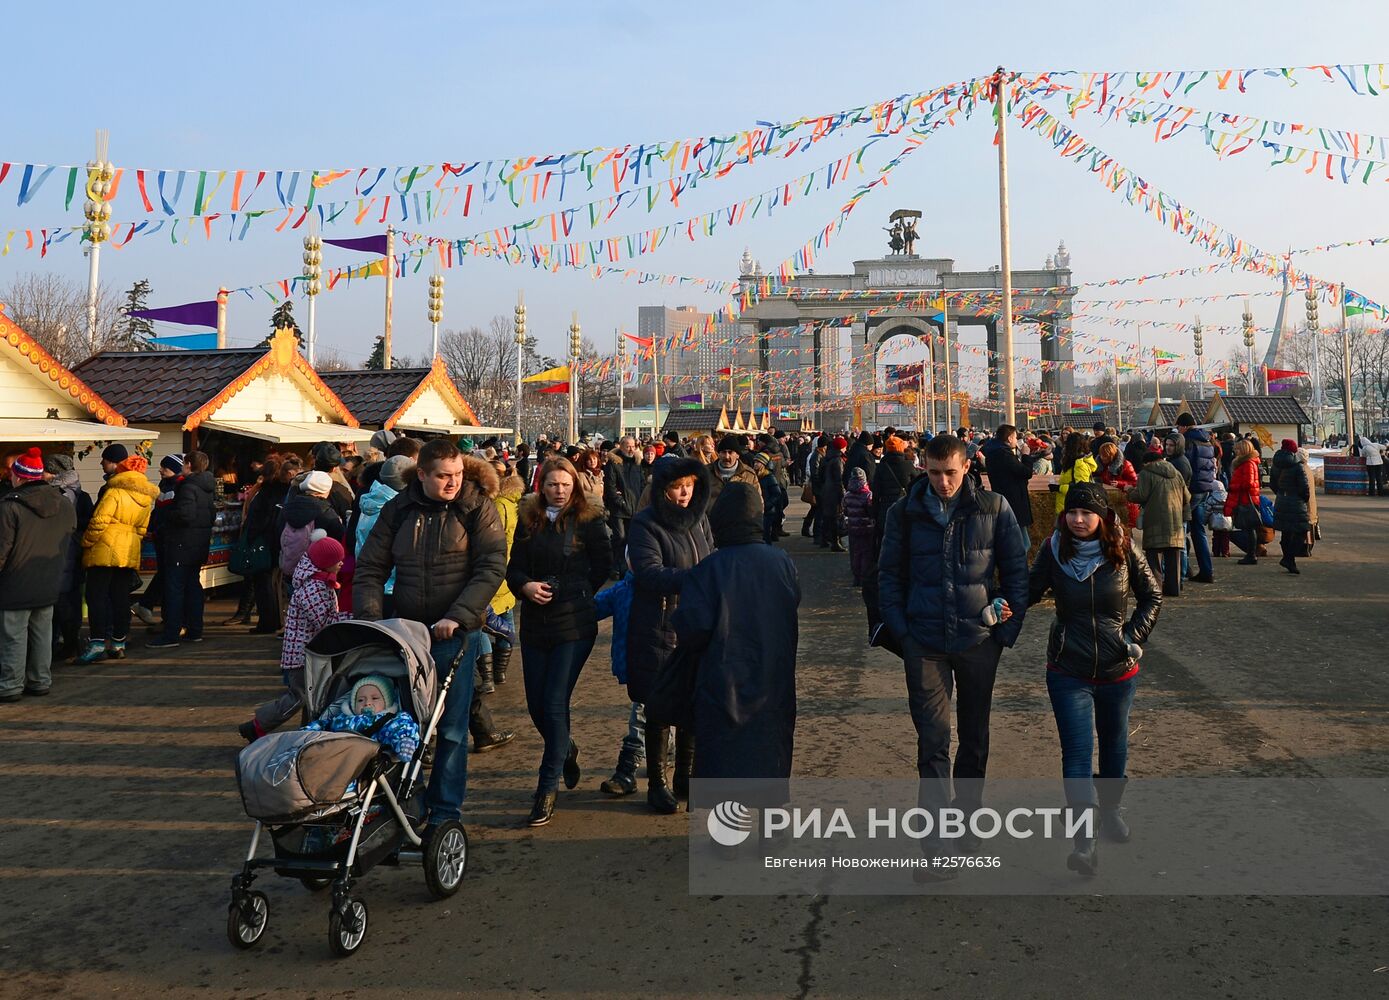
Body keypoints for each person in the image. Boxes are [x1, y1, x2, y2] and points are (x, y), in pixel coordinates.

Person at [877, 434, 1029, 873]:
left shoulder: (993, 507)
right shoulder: (902, 513)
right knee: (933, 740)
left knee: (975, 737)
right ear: (922, 468)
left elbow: (1017, 572)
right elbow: (887, 575)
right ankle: (936, 843)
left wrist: (1007, 630)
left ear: (967, 468)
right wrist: (902, 631)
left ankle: (966, 822)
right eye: (934, 472)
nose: (943, 482)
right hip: (924, 642)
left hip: (979, 639)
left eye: (951, 473)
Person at [353, 438, 507, 835]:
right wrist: (373, 622)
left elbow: (490, 566)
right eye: (443, 476)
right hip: (406, 633)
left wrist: (458, 615)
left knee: (453, 728)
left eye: (457, 474)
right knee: (403, 723)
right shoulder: (398, 509)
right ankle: (406, 798)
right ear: (421, 475)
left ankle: (444, 810)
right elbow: (370, 567)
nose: (453, 483)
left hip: (455, 632)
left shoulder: (476, 507)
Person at [1026, 482, 1161, 876]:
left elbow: (1152, 596)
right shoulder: (1054, 550)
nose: (1079, 520)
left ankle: (1112, 809)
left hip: (1119, 670)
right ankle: (1083, 843)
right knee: (1077, 754)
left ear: (1103, 517)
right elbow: (1028, 591)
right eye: (1072, 513)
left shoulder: (1121, 548)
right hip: (1069, 669)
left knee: (1115, 743)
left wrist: (1132, 638)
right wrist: (996, 605)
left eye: (1087, 513)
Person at [674, 482, 800, 810]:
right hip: (773, 673)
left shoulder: (708, 569)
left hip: (721, 676)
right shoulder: (781, 562)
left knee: (723, 756)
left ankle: (727, 833)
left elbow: (692, 627)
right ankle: (772, 826)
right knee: (770, 749)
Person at [506, 456, 612, 827]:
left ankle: (546, 788)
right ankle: (565, 747)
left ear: (576, 486)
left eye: (566, 484)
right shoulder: (528, 519)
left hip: (574, 625)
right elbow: (513, 567)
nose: (560, 490)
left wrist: (576, 591)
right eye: (553, 484)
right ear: (542, 486)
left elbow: (603, 566)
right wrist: (524, 586)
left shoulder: (590, 519)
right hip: (535, 623)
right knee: (538, 704)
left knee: (554, 700)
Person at [626, 456, 714, 813]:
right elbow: (649, 572)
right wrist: (696, 579)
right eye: (677, 487)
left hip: (695, 625)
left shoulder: (699, 519)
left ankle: (685, 775)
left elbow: (712, 555)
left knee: (693, 701)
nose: (684, 494)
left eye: (689, 486)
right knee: (659, 706)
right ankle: (657, 783)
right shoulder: (645, 524)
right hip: (658, 625)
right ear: (663, 489)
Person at [240, 536, 350, 740]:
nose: (341, 563)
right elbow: (324, 622)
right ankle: (257, 726)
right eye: (338, 560)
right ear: (325, 563)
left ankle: (308, 733)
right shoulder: (313, 587)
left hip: (307, 653)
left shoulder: (317, 582)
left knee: (313, 697)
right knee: (299, 697)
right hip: (302, 656)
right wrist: (350, 617)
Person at [0, 449, 76, 701]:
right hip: (48, 579)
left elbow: (2, 549)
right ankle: (40, 680)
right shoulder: (63, 503)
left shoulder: (10, 506)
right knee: (42, 633)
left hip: (15, 582)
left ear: (20, 477)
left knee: (13, 635)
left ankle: (10, 685)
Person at [76, 448, 158, 665]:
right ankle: (119, 642)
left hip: (104, 547)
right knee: (121, 597)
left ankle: (96, 643)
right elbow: (142, 528)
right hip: (128, 548)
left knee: (96, 596)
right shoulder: (145, 496)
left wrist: (86, 542)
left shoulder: (114, 491)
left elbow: (99, 520)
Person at [149, 451, 215, 649]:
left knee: (175, 589)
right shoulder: (206, 487)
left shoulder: (187, 486)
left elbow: (185, 515)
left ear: (188, 464)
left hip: (181, 543)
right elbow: (209, 515)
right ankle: (194, 630)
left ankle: (171, 633)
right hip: (198, 543)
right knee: (193, 587)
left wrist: (167, 517)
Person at [305, 674, 420, 763]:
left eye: (375, 698)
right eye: (360, 700)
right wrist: (306, 734)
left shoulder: (389, 719)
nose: (367, 703)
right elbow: (323, 725)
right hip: (334, 755)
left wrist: (404, 740)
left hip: (364, 761)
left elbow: (401, 726)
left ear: (387, 703)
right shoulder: (342, 718)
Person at [43, 454, 93, 660]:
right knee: (68, 599)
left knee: (62, 601)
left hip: (61, 551)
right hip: (73, 550)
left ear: (55, 472)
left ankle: (67, 644)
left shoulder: (55, 494)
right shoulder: (81, 494)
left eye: (46, 470)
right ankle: (68, 642)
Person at [1129, 450, 1191, 597]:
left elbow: (1141, 495)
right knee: (1173, 556)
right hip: (1175, 520)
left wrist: (1129, 491)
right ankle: (1173, 589)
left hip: (1154, 519)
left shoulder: (1146, 473)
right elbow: (1187, 496)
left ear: (1147, 463)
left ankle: (1156, 589)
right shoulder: (1176, 473)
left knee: (1154, 557)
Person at [981, 425, 1034, 557]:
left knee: (1019, 541)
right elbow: (1025, 472)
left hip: (1004, 499)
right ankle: (1019, 570)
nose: (1016, 440)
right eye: (1015, 437)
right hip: (1014, 502)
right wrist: (1026, 455)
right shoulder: (1004, 454)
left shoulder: (992, 452)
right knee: (1022, 544)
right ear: (1010, 438)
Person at [1177, 414, 1218, 583]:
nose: (1178, 430)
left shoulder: (1187, 441)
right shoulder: (1207, 440)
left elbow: (1186, 468)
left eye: (1178, 427)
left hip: (1192, 489)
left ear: (1185, 426)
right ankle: (1206, 570)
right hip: (1205, 488)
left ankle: (1183, 570)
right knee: (1198, 531)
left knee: (1178, 529)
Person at [1270, 440, 1313, 574]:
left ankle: (1289, 561)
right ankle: (1289, 558)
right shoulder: (1297, 465)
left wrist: (1281, 493)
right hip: (1296, 501)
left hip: (1281, 499)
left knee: (1286, 532)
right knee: (1302, 530)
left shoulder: (1276, 464)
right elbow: (1304, 487)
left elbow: (1272, 483)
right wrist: (1303, 499)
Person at [603, 436, 643, 573]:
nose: (631, 449)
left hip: (635, 507)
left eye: (633, 446)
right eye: (628, 446)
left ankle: (627, 566)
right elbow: (610, 487)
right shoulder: (614, 463)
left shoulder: (637, 463)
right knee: (620, 537)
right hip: (619, 508)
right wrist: (621, 502)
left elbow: (641, 484)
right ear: (621, 446)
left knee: (631, 538)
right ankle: (615, 564)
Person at [1224, 439, 1262, 566]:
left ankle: (1251, 554)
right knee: (1249, 528)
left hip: (1247, 499)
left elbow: (1248, 483)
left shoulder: (1247, 463)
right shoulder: (1246, 462)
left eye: (1238, 449)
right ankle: (1252, 553)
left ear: (1244, 450)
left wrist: (1234, 487)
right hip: (1247, 498)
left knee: (1249, 528)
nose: (1235, 451)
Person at [841, 467, 875, 587]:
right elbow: (871, 511)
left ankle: (856, 576)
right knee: (866, 553)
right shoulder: (868, 495)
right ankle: (865, 576)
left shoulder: (847, 495)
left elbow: (845, 510)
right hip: (866, 527)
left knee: (855, 552)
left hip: (853, 527)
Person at [1095, 441, 1139, 528]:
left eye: (1105, 456)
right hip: (1106, 500)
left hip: (1123, 502)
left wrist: (1120, 484)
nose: (1103, 458)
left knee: (1124, 528)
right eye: (1101, 455)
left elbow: (1135, 482)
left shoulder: (1126, 464)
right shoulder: (1099, 465)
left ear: (1112, 455)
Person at [709, 435, 761, 505]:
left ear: (737, 455)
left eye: (730, 452)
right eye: (723, 452)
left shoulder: (749, 475)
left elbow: (757, 502)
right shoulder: (706, 472)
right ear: (719, 454)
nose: (726, 456)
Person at [816, 437, 846, 552]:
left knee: (827, 516)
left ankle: (824, 539)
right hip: (834, 491)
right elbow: (839, 479)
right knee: (835, 517)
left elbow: (820, 476)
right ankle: (835, 542)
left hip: (825, 490)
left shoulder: (826, 458)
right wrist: (842, 494)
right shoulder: (837, 460)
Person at [1055, 432, 1096, 514]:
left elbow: (1081, 487)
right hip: (1066, 506)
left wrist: (1059, 488)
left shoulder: (1080, 464)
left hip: (1072, 508)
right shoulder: (1072, 461)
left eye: (1067, 444)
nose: (1064, 447)